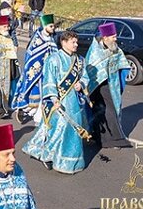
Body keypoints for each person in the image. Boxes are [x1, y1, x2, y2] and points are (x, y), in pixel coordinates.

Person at [22, 30, 91, 174]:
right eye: (73, 42)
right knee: (57, 129)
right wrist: (54, 98)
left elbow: (85, 77)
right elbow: (49, 81)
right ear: (64, 42)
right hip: (58, 100)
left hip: (75, 102)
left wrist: (82, 84)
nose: (76, 44)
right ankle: (47, 155)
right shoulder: (53, 59)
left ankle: (70, 161)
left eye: (76, 42)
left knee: (73, 130)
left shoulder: (80, 60)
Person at [85, 22, 131, 148]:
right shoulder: (95, 50)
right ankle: (107, 138)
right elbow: (90, 68)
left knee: (112, 110)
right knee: (102, 111)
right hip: (98, 85)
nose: (115, 39)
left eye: (115, 36)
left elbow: (123, 64)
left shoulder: (115, 49)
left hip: (112, 84)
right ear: (105, 37)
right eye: (113, 37)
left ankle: (110, 139)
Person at [11, 14, 58, 123]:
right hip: (36, 72)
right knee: (33, 95)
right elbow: (31, 55)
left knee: (44, 96)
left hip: (47, 73)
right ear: (45, 26)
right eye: (51, 26)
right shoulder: (37, 39)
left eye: (53, 26)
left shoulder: (52, 38)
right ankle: (24, 109)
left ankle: (39, 119)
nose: (53, 28)